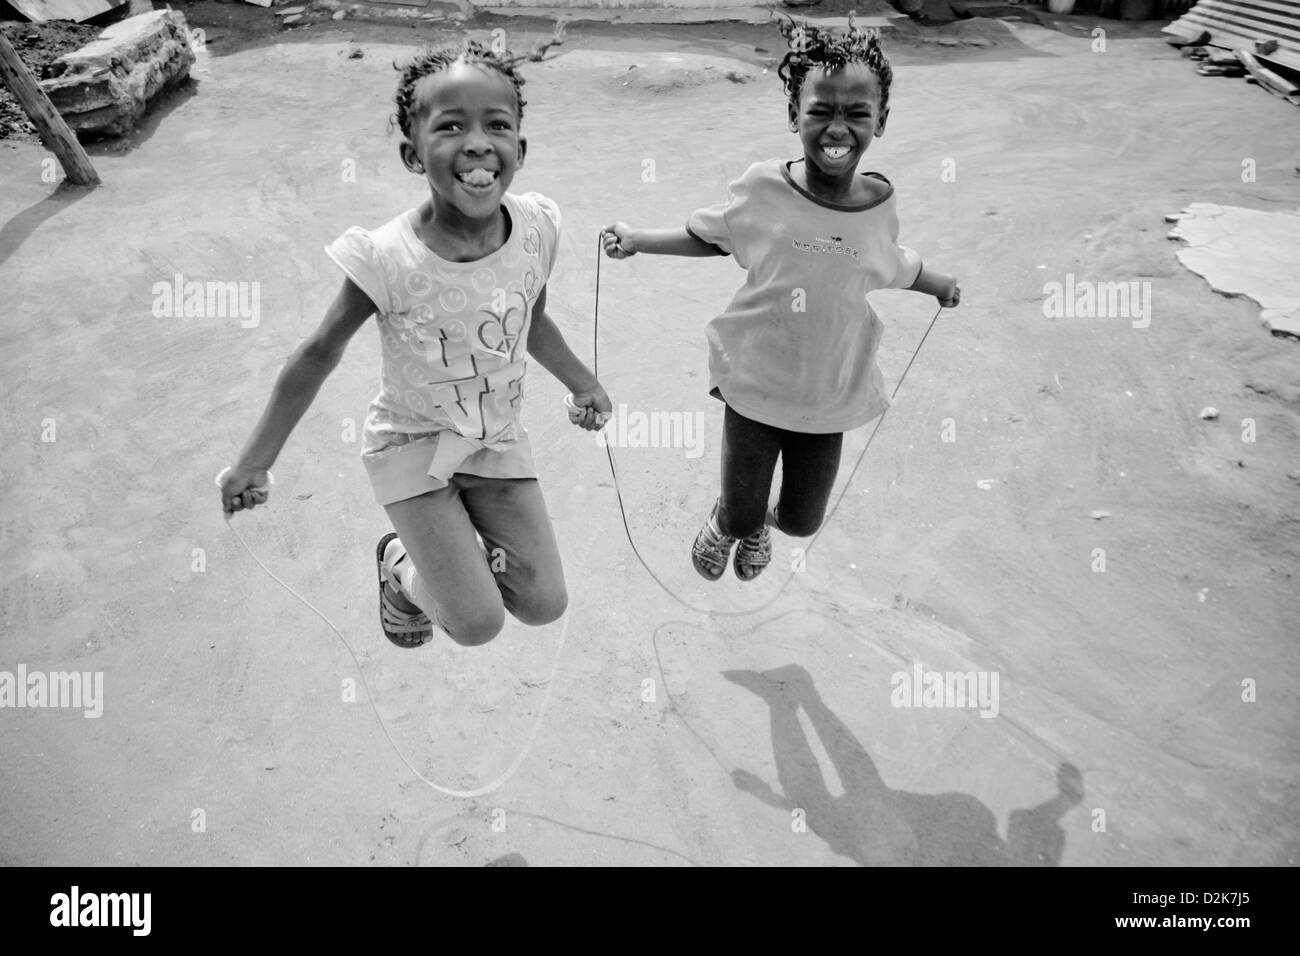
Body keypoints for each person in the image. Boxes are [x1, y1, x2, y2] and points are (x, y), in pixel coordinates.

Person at [219, 42, 611, 648]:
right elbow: (319, 353)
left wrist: (583, 382)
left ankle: (449, 560)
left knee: (541, 603)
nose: (478, 142)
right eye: (450, 126)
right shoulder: (386, 257)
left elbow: (530, 319)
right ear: (412, 153)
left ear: (520, 150)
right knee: (477, 624)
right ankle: (403, 566)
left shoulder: (536, 228)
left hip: (493, 439)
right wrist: (254, 461)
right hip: (411, 446)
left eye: (497, 125)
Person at [602, 16, 959, 583]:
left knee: (800, 520)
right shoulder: (764, 189)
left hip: (830, 390)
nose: (836, 127)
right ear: (795, 114)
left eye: (856, 113)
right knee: (741, 512)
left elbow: (891, 263)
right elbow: (711, 236)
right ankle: (730, 522)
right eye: (820, 110)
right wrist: (639, 240)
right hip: (757, 382)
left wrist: (938, 284)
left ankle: (760, 525)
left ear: (881, 121)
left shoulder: (880, 205)